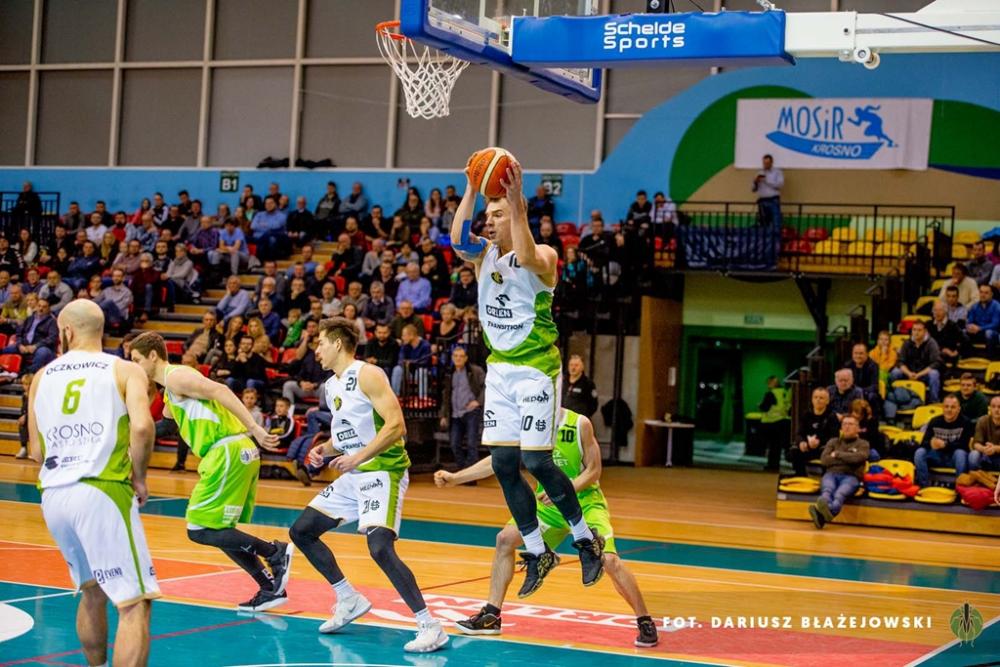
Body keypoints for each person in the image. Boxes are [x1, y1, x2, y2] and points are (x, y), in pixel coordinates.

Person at [450, 155, 604, 596]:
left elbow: (529, 253)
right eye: (488, 215)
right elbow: (457, 238)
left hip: (537, 369)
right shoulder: (483, 255)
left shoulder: (545, 256)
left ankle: (584, 539)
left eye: (498, 215)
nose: (489, 221)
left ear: (516, 214)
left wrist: (516, 202)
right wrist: (472, 187)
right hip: (500, 369)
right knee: (503, 464)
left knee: (536, 461)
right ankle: (538, 551)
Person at [287, 318, 448, 653]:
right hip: (355, 473)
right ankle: (348, 598)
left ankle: (430, 626)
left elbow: (396, 425)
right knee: (301, 531)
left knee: (379, 548)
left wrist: (357, 457)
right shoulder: (331, 386)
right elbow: (345, 434)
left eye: (320, 343)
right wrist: (324, 450)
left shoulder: (368, 374)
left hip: (383, 471)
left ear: (337, 343)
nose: (316, 350)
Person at [436, 407, 659, 648]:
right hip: (548, 508)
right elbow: (499, 461)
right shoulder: (529, 424)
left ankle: (644, 620)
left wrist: (565, 490)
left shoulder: (579, 423)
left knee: (610, 560)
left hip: (585, 504)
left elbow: (594, 471)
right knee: (504, 539)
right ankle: (491, 616)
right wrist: (456, 477)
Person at [28, 300, 159, 666]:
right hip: (103, 488)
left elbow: (36, 450)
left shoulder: (42, 377)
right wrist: (140, 477)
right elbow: (142, 427)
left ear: (66, 331)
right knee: (134, 603)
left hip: (53, 495)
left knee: (92, 591)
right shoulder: (124, 369)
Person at [129, 332, 294, 612]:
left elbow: (221, 391)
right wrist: (128, 436)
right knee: (218, 529)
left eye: (136, 360)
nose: (133, 366)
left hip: (227, 449)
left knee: (198, 529)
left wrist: (255, 427)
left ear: (153, 356)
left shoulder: (177, 376)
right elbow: (165, 425)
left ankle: (274, 552)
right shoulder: (171, 389)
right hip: (233, 452)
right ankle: (269, 587)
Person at [807, 415, 870, 530]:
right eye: (844, 424)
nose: (847, 427)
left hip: (851, 477)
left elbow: (859, 458)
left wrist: (837, 454)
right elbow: (824, 460)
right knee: (827, 491)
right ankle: (826, 514)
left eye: (850, 424)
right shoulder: (833, 442)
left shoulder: (863, 444)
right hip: (831, 474)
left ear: (858, 428)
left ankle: (822, 515)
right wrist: (848, 458)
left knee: (839, 494)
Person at [440, 346, 486, 471]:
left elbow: (486, 386)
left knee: (472, 444)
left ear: (466, 358)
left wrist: (478, 402)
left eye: (461, 356)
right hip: (455, 414)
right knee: (454, 444)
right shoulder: (449, 373)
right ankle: (464, 471)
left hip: (471, 412)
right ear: (452, 358)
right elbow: (446, 395)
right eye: (455, 356)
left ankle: (472, 474)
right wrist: (443, 414)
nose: (458, 359)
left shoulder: (475, 371)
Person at [915, 394, 972, 486]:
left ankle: (960, 487)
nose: (949, 410)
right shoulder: (934, 421)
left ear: (958, 409)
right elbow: (923, 443)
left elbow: (964, 445)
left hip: (954, 458)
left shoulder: (965, 422)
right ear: (942, 408)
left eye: (953, 407)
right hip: (937, 456)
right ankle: (923, 486)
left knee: (960, 454)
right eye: (946, 406)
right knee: (920, 452)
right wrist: (931, 443)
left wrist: (945, 445)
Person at [789, 387, 838, 476]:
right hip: (808, 447)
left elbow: (834, 437)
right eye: (815, 397)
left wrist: (819, 442)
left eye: (821, 398)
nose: (818, 400)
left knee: (827, 452)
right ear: (812, 400)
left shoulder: (832, 416)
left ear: (827, 401)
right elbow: (799, 433)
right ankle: (801, 476)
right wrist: (801, 442)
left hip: (823, 448)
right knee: (794, 451)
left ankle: (826, 477)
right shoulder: (806, 415)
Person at [891, 321, 941, 402]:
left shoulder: (931, 343)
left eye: (919, 330)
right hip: (909, 373)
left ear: (925, 331)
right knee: (895, 372)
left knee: (934, 374)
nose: (916, 333)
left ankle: (934, 401)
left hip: (924, 374)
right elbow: (900, 362)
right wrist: (909, 373)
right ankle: (894, 398)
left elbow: (936, 363)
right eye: (914, 330)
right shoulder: (907, 343)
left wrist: (919, 374)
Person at [758, 375, 791, 471]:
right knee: (777, 445)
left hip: (772, 422)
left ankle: (772, 465)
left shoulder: (771, 393)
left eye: (769, 383)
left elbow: (765, 407)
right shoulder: (784, 392)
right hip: (784, 420)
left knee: (772, 445)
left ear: (772, 383)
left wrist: (760, 405)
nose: (768, 385)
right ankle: (775, 464)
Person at [964, 283, 1000, 357]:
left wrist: (980, 328)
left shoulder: (997, 306)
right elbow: (969, 321)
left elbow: (995, 324)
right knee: (963, 331)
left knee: (989, 333)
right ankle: (968, 356)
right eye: (981, 292)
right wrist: (970, 327)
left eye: (986, 293)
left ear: (991, 294)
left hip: (993, 333)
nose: (983, 295)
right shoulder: (974, 306)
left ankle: (990, 357)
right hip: (977, 332)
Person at [970, 395, 1000, 472]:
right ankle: (976, 477)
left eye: (999, 407)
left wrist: (995, 448)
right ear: (989, 408)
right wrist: (984, 449)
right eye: (993, 406)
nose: (996, 410)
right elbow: (976, 444)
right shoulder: (982, 420)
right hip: (985, 454)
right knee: (974, 455)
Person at [752, 154, 783, 227]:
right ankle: (764, 233)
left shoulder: (777, 172)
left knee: (775, 220)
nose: (765, 165)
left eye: (767, 163)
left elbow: (779, 185)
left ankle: (775, 233)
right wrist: (755, 182)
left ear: (771, 162)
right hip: (762, 200)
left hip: (773, 200)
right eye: (764, 163)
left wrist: (766, 181)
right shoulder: (760, 172)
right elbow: (753, 189)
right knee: (763, 221)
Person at [928, 300, 962, 366]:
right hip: (932, 354)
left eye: (940, 310)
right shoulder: (928, 325)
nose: (937, 313)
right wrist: (942, 349)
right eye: (935, 310)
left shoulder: (953, 326)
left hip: (947, 357)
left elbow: (964, 341)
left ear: (945, 311)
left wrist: (956, 351)